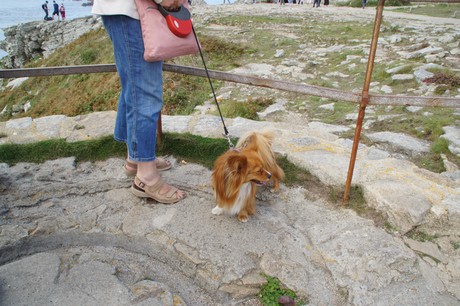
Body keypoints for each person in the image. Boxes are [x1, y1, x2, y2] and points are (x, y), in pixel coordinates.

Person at [91, 0, 186, 204]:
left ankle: (137, 160)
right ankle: (146, 178)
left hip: (125, 9)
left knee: (134, 86)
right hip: (132, 10)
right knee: (145, 94)